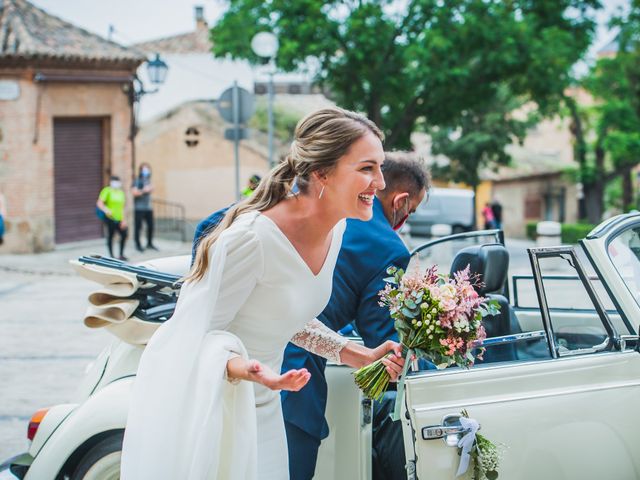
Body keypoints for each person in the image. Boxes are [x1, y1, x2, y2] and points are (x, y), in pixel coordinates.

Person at [121, 107, 405, 479]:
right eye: (367, 168)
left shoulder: (335, 231)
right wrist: (248, 370)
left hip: (267, 404)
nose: (381, 183)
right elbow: (191, 340)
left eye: (380, 168)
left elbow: (284, 314)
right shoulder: (251, 240)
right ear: (321, 173)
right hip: (221, 411)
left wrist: (357, 354)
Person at [193, 152, 430, 480]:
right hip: (292, 379)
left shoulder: (301, 214)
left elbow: (208, 227)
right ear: (401, 200)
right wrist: (427, 351)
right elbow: (383, 336)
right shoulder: (388, 248)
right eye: (411, 210)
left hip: (249, 367)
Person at [96, 176, 128, 260]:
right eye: (114, 181)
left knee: (124, 235)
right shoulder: (107, 190)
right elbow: (99, 203)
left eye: (117, 181)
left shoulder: (121, 193)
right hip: (110, 218)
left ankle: (121, 254)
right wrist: (106, 210)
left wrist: (124, 220)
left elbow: (122, 207)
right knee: (111, 236)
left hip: (119, 218)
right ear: (111, 182)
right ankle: (111, 256)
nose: (116, 183)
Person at [132, 162, 157, 252]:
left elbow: (152, 189)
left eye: (147, 169)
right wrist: (144, 190)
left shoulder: (148, 180)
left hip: (148, 208)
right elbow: (134, 193)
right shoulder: (137, 181)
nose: (146, 171)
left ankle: (149, 243)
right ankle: (138, 245)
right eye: (144, 169)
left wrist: (151, 188)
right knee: (138, 227)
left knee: (150, 226)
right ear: (141, 170)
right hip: (139, 208)